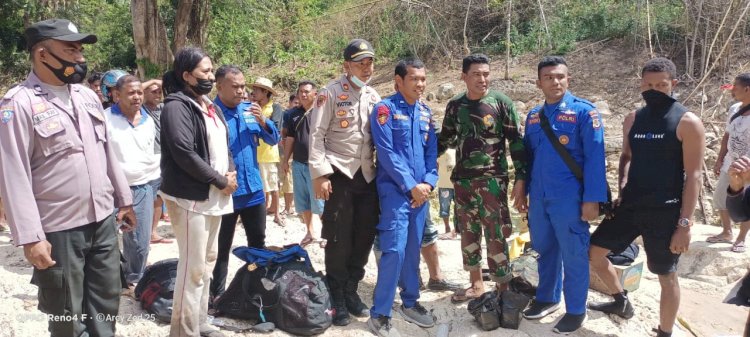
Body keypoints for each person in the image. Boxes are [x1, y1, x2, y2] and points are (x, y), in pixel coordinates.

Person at [0, 19, 135, 336]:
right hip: (58, 229)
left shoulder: (87, 97)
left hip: (102, 221)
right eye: (70, 49)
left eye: (81, 49)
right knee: (65, 316)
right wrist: (31, 236)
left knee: (105, 307)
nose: (80, 57)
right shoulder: (19, 104)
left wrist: (124, 200)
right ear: (43, 54)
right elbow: (12, 171)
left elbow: (107, 153)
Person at [589, 57, 705, 337]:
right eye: (648, 84)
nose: (654, 89)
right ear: (641, 84)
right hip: (630, 206)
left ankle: (664, 332)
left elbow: (695, 176)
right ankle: (620, 301)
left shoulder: (687, 122)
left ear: (673, 85)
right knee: (594, 253)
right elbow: (626, 157)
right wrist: (623, 185)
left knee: (666, 276)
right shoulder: (633, 118)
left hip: (665, 212)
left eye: (661, 85)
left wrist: (684, 225)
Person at [521, 56, 607, 334]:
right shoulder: (534, 117)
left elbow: (595, 158)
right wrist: (523, 188)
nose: (555, 82)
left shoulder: (585, 113)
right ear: (539, 82)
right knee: (544, 249)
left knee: (574, 254)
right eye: (548, 77)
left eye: (560, 77)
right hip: (540, 196)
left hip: (570, 198)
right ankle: (547, 297)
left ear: (568, 79)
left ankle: (576, 310)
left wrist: (592, 199)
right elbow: (528, 158)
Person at [437, 54, 528, 304]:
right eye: (476, 74)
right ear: (464, 76)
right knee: (468, 232)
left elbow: (516, 142)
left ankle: (503, 289)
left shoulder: (501, 103)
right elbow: (443, 140)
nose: (482, 79)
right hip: (463, 182)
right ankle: (476, 284)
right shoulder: (455, 106)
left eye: (486, 73)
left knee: (496, 233)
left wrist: (521, 178)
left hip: (493, 182)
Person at [160, 47, 237, 337]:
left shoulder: (209, 105)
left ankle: (200, 320)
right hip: (190, 197)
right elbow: (183, 152)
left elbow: (223, 145)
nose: (209, 75)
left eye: (210, 70)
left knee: (207, 262)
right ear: (186, 76)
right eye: (204, 71)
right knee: (192, 268)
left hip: (214, 196)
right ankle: (182, 330)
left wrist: (229, 173)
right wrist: (219, 180)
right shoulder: (176, 106)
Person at [309, 38, 380, 327]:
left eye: (370, 62)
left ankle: (351, 288)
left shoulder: (374, 96)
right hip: (338, 173)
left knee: (364, 234)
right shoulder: (329, 93)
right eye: (360, 62)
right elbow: (316, 136)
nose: (366, 67)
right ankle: (336, 294)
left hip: (367, 175)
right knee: (337, 236)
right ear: (346, 65)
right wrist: (320, 175)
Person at [368, 57, 436, 336]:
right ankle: (380, 313)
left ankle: (410, 302)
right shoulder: (384, 110)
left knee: (412, 250)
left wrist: (429, 183)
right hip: (395, 193)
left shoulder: (426, 113)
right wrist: (411, 186)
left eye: (422, 79)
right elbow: (386, 154)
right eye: (414, 79)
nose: (420, 84)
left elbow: (433, 153)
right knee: (393, 250)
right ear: (399, 81)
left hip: (421, 194)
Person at [210, 65, 279, 299]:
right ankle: (216, 295)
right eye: (235, 86)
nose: (241, 91)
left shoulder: (250, 110)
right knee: (221, 248)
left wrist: (263, 122)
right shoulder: (210, 113)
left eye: (243, 86)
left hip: (254, 191)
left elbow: (273, 139)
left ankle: (256, 290)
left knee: (257, 243)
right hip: (225, 193)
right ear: (219, 87)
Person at [104, 74, 162, 288]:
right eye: (131, 93)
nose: (137, 97)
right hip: (110, 190)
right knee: (106, 239)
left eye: (139, 92)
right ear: (117, 95)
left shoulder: (148, 120)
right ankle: (111, 280)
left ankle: (134, 279)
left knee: (139, 242)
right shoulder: (105, 119)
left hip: (142, 188)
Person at [708, 73, 750, 253]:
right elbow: (727, 136)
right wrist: (719, 159)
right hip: (729, 164)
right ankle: (727, 232)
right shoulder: (734, 109)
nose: (732, 90)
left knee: (746, 202)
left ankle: (741, 238)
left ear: (747, 89)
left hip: (747, 168)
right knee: (719, 197)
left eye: (735, 87)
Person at [282, 81, 325, 245]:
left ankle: (325, 233)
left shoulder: (322, 112)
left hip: (317, 165)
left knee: (320, 202)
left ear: (315, 94)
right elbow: (290, 138)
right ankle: (310, 232)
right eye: (301, 92)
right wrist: (286, 160)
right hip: (298, 163)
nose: (303, 94)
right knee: (303, 201)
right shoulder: (292, 114)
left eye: (307, 92)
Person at [142, 78, 173, 242]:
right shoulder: (141, 109)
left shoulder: (164, 107)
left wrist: (162, 85)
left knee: (160, 198)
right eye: (153, 91)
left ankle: (152, 232)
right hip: (150, 158)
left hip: (165, 156)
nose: (157, 94)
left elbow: (175, 91)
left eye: (159, 91)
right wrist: (152, 81)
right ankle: (144, 233)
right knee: (149, 197)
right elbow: (136, 89)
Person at [251, 77, 285, 225]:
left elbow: (276, 129)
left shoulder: (275, 108)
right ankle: (263, 210)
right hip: (255, 153)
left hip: (269, 153)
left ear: (265, 92)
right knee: (261, 185)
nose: (254, 92)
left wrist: (262, 118)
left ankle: (277, 213)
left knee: (272, 185)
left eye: (257, 90)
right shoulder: (252, 106)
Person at [280, 94, 298, 216]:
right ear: (289, 103)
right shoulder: (287, 114)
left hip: (303, 153)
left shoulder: (308, 112)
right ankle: (288, 207)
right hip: (290, 151)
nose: (297, 104)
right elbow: (284, 133)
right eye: (295, 102)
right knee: (288, 179)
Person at [437, 149, 458, 239]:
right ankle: (447, 228)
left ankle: (457, 229)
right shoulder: (438, 151)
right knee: (444, 207)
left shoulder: (457, 149)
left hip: (457, 184)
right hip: (444, 185)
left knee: (458, 207)